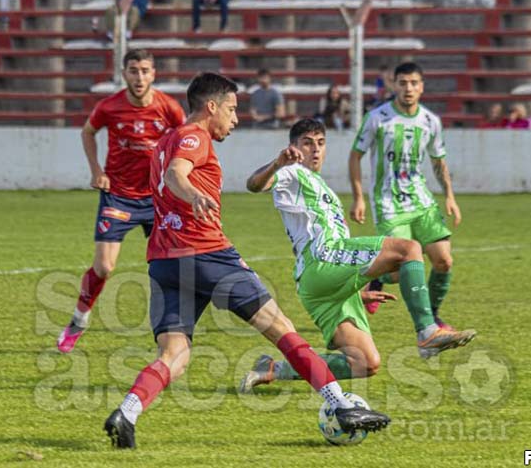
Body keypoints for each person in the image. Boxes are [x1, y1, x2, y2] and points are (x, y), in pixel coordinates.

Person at [102, 73, 391, 449]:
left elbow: (169, 172)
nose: (235, 119)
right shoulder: (194, 136)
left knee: (175, 354)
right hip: (206, 254)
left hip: (164, 261)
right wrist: (193, 196)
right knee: (281, 327)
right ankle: (340, 406)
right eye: (232, 109)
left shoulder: (163, 142)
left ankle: (127, 411)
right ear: (211, 107)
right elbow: (177, 174)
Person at [239, 119, 476, 393]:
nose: (315, 149)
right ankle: (427, 332)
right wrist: (277, 163)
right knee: (408, 248)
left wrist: (357, 288)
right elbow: (254, 184)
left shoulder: (321, 186)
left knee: (365, 362)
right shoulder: (291, 172)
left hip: (318, 284)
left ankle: (274, 368)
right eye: (307, 143)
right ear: (293, 147)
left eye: (320, 143)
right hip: (324, 257)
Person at [56, 49, 186, 354]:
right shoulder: (110, 106)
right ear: (124, 73)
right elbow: (88, 132)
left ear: (154, 73)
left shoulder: (169, 108)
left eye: (144, 70)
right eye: (133, 70)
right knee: (103, 267)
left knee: (170, 267)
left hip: (157, 198)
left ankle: (171, 335)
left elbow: (185, 139)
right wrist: (96, 170)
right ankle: (79, 320)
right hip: (119, 195)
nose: (139, 77)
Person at [349, 62, 461, 328]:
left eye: (413, 83)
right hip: (389, 204)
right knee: (405, 268)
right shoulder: (377, 118)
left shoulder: (430, 121)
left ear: (421, 87)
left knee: (444, 261)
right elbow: (355, 156)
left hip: (422, 202)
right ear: (394, 86)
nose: (408, 88)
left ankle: (432, 314)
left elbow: (438, 161)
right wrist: (358, 197)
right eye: (403, 83)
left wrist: (450, 196)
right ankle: (375, 278)